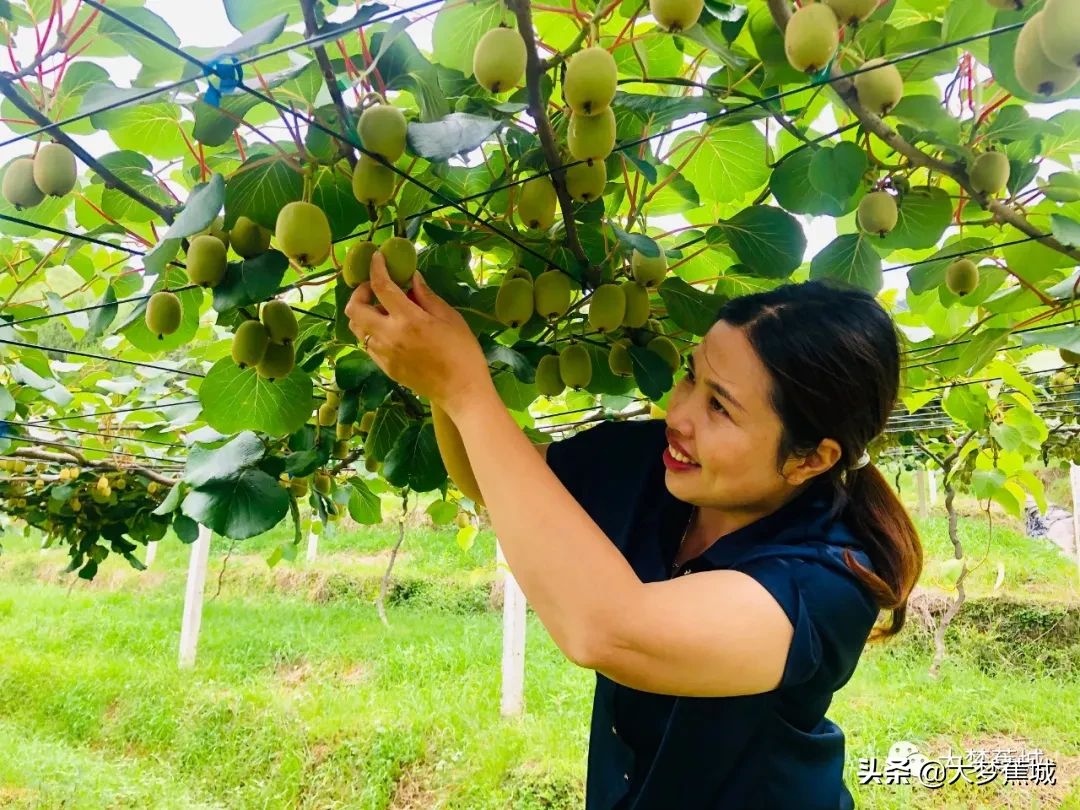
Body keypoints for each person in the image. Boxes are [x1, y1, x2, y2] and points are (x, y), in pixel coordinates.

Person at [345, 256, 923, 810]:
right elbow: (488, 475)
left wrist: (465, 388)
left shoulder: (823, 581)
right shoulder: (661, 462)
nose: (679, 415)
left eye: (720, 407)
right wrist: (444, 377)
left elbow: (609, 632)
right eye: (690, 377)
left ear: (810, 460)